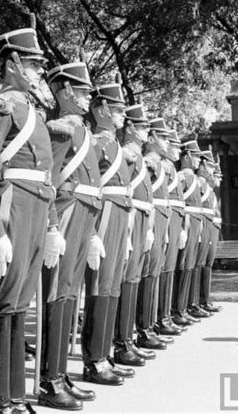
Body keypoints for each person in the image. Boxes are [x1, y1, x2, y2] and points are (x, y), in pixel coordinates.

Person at [0, 27, 64, 414]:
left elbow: (47, 177)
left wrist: (53, 225)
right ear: (12, 64)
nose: (39, 72)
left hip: (35, 208)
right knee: (1, 305)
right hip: (10, 207)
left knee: (18, 306)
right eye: (32, 64)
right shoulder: (2, 106)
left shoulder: (35, 112)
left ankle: (15, 395)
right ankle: (0, 402)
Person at [38, 62, 101, 410]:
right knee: (56, 295)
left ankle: (61, 374)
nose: (87, 97)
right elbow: (48, 179)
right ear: (63, 92)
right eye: (81, 91)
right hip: (67, 213)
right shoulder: (61, 130)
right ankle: (49, 379)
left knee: (69, 296)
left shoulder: (83, 131)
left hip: (84, 215)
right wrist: (50, 225)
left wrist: (92, 232)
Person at [81, 83, 134, 386]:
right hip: (105, 213)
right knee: (99, 286)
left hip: (120, 213)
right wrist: (91, 231)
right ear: (100, 110)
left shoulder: (114, 145)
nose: (121, 116)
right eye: (116, 110)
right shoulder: (97, 143)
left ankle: (106, 353)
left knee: (112, 285)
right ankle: (94, 360)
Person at [113, 104, 157, 365]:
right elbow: (123, 190)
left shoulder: (138, 156)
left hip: (142, 217)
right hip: (129, 216)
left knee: (133, 277)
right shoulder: (127, 154)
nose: (145, 131)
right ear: (129, 127)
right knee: (124, 278)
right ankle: (120, 342)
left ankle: (127, 338)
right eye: (142, 127)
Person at [136, 118, 172, 351]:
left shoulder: (160, 164)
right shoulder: (148, 162)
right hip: (148, 216)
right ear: (152, 139)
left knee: (154, 272)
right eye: (163, 137)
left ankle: (149, 325)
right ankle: (142, 328)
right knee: (146, 272)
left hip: (159, 216)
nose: (167, 142)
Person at [154, 129, 186, 336]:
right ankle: (158, 318)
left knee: (168, 269)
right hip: (160, 217)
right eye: (171, 144)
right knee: (159, 270)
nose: (175, 150)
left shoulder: (171, 169)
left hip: (170, 217)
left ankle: (165, 315)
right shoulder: (160, 165)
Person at [172, 138, 203, 326]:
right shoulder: (183, 176)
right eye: (197, 157)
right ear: (188, 155)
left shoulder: (195, 179)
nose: (198, 161)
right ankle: (177, 309)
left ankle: (184, 307)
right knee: (183, 265)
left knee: (190, 265)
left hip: (195, 221)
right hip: (187, 221)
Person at [187, 150, 215, 318]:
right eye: (210, 165)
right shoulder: (195, 181)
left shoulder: (205, 185)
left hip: (203, 222)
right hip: (195, 221)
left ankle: (196, 302)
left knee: (199, 264)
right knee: (193, 264)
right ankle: (191, 304)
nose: (211, 170)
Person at [200, 160, 223, 312]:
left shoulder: (212, 193)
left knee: (208, 265)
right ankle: (201, 300)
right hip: (206, 228)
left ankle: (205, 299)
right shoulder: (205, 190)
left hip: (214, 228)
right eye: (217, 176)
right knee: (203, 264)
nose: (219, 180)